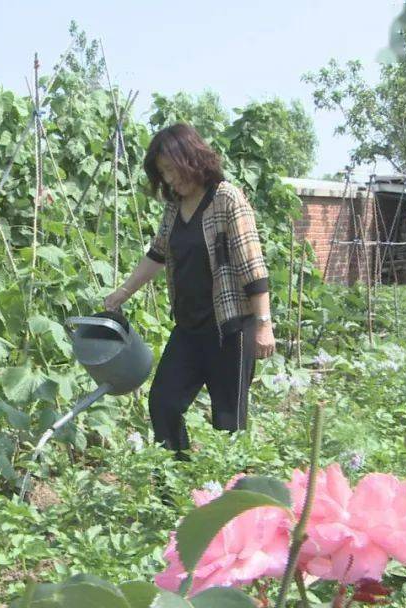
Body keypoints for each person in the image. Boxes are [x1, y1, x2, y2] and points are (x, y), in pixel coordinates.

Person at [104, 123, 275, 460]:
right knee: (163, 403)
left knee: (228, 424)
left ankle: (232, 502)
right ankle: (178, 491)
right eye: (162, 173)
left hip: (231, 329)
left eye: (171, 169)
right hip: (189, 328)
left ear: (191, 159)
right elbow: (157, 254)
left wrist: (264, 324)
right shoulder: (174, 208)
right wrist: (122, 293)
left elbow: (252, 266)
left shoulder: (226, 198)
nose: (169, 179)